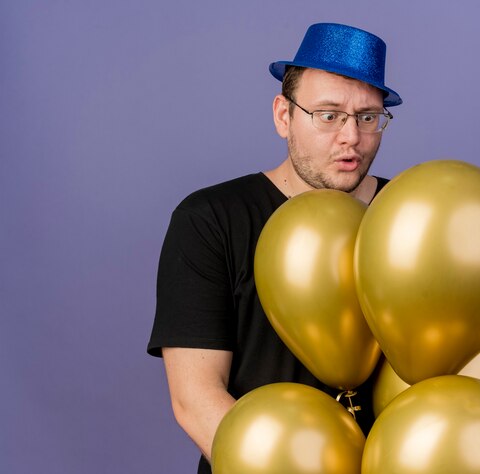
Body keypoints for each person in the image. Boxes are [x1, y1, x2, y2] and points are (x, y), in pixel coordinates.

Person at [147, 22, 402, 473]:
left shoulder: (412, 217)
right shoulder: (210, 219)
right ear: (283, 115)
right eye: (329, 115)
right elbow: (196, 398)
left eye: (368, 117)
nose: (351, 138)